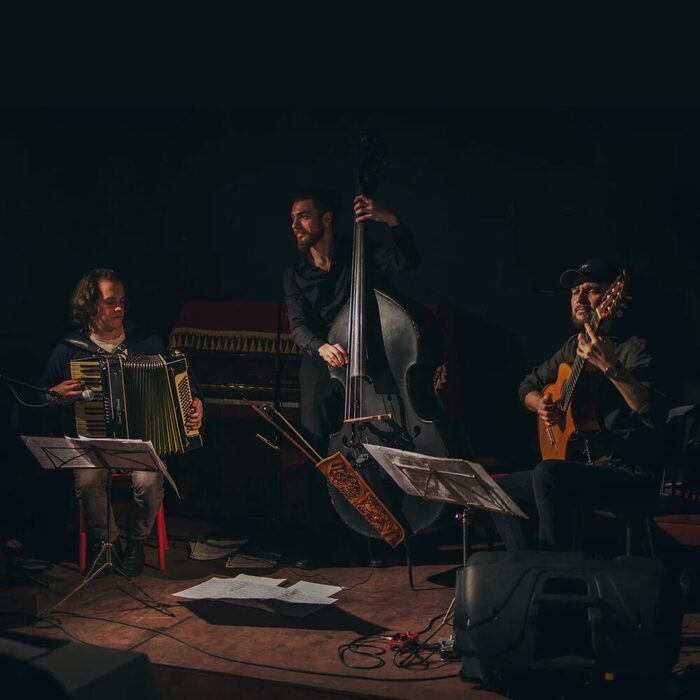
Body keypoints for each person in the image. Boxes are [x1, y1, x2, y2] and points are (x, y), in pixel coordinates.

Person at [283, 190, 420, 567]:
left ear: (326, 219)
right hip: (321, 365)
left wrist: (390, 219)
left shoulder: (359, 254)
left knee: (374, 449)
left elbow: (408, 263)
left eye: (303, 216)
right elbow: (298, 326)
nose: (295, 225)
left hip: (369, 364)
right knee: (318, 452)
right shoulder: (295, 273)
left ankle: (375, 537)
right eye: (293, 218)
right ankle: (320, 541)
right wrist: (322, 346)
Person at [492, 258, 667, 552]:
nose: (580, 299)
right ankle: (527, 566)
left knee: (548, 474)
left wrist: (611, 368)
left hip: (628, 474)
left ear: (614, 298)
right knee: (497, 490)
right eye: (575, 292)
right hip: (582, 467)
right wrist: (541, 405)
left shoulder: (636, 349)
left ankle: (556, 567)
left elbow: (655, 416)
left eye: (592, 290)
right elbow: (527, 386)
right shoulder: (574, 346)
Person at [40, 268, 204, 576]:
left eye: (122, 301)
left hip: (141, 443)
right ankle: (111, 543)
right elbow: (41, 396)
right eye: (110, 302)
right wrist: (54, 394)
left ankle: (136, 543)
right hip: (94, 443)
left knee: (149, 480)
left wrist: (195, 402)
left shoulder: (146, 342)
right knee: (87, 481)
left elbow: (181, 383)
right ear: (90, 305)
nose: (119, 308)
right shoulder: (69, 349)